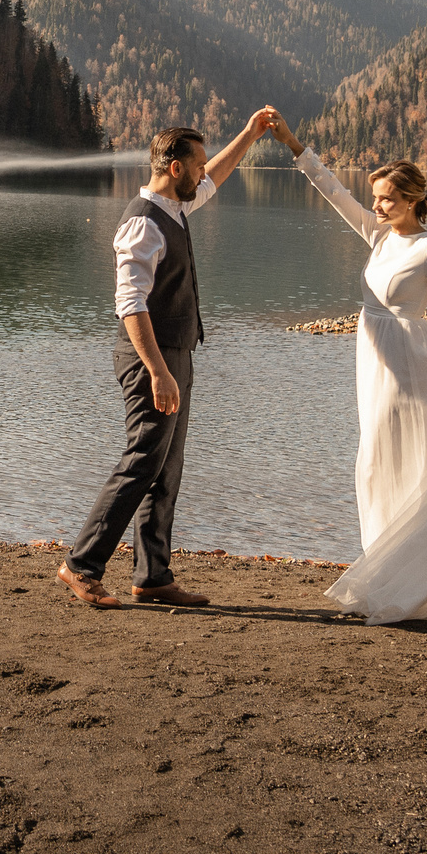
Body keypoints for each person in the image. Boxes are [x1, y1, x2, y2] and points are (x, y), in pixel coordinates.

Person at [268, 115, 427, 624]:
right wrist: (293, 143)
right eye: (376, 198)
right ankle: (386, 575)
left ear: (414, 200)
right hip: (372, 365)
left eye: (387, 199)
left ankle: (408, 582)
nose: (377, 206)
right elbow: (332, 190)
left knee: (392, 465)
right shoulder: (378, 237)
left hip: (409, 366)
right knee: (375, 467)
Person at [57, 107, 280, 609]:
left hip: (175, 354)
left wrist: (249, 135)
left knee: (166, 467)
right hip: (149, 360)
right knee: (142, 460)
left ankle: (152, 576)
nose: (203, 174)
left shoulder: (174, 207)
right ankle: (81, 565)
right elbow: (130, 304)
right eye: (196, 165)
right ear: (175, 167)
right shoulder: (142, 224)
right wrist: (158, 371)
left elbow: (216, 177)